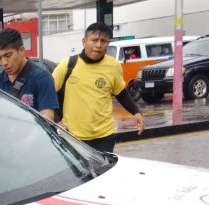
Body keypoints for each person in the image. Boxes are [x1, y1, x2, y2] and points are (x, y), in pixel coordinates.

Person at [52, 22, 145, 153]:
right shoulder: (67, 65)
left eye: (104, 41)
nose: (98, 45)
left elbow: (120, 93)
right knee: (79, 173)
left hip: (104, 137)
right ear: (84, 41)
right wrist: (53, 120)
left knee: (102, 173)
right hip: (72, 136)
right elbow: (48, 93)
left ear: (108, 43)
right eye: (94, 40)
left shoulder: (113, 66)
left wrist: (136, 112)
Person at [0, 28, 58, 120]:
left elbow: (47, 118)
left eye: (8, 56)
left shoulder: (42, 78)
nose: (4, 62)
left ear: (21, 51)